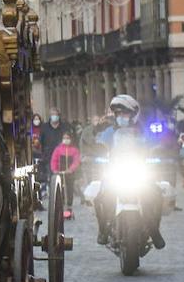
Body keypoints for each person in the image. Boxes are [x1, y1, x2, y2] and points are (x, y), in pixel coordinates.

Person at [95, 94, 165, 249]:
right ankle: (104, 230)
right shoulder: (109, 132)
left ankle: (154, 230)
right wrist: (97, 154)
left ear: (133, 115)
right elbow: (99, 144)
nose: (121, 117)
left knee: (155, 194)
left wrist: (156, 154)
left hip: (140, 171)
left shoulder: (144, 132)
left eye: (125, 114)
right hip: (115, 171)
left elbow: (155, 145)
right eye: (118, 114)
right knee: (101, 197)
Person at [49, 132, 81, 212]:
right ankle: (61, 204)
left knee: (70, 189)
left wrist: (71, 169)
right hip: (60, 173)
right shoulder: (58, 149)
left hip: (70, 173)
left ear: (71, 139)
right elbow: (54, 160)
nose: (66, 140)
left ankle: (69, 205)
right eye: (64, 138)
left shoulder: (74, 150)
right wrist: (54, 170)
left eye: (68, 138)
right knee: (60, 189)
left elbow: (76, 161)